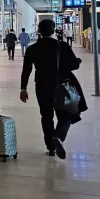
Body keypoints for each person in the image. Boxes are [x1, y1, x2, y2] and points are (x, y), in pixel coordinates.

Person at [20, 19, 87, 159]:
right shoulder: (62, 46)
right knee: (67, 114)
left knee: (46, 116)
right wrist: (78, 61)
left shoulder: (32, 49)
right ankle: (58, 137)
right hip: (61, 86)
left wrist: (23, 88)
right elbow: (73, 65)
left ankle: (50, 147)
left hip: (42, 86)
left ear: (39, 31)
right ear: (53, 30)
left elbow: (26, 70)